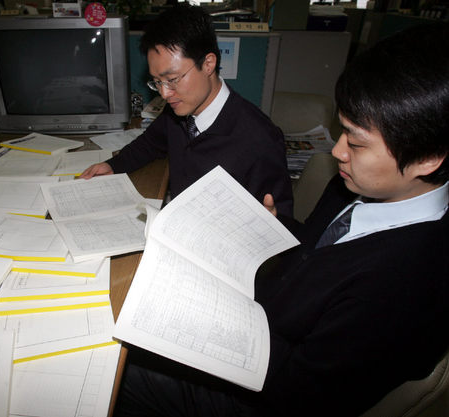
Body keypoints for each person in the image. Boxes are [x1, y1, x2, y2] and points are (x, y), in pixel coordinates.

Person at [113, 22, 449, 417]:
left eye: (356, 142)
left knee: (114, 364)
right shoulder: (360, 186)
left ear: (427, 158)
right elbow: (318, 253)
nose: (338, 151)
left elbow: (299, 396)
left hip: (263, 392)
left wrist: (207, 327)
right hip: (263, 316)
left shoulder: (405, 286)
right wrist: (274, 228)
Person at [80, 4, 293, 216]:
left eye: (172, 79)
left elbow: (282, 221)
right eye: (157, 82)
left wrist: (271, 226)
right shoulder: (179, 111)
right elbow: (150, 143)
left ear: (208, 64)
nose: (164, 93)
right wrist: (114, 165)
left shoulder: (260, 140)